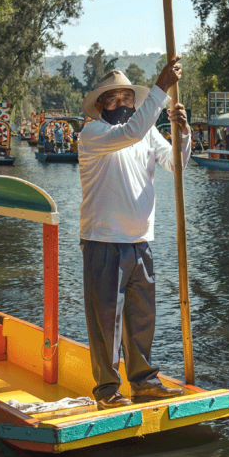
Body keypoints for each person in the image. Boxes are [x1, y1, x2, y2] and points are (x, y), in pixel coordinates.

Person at [78, 59, 190, 410]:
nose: (123, 104)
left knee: (141, 318)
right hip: (103, 240)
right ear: (100, 106)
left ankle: (143, 382)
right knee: (105, 319)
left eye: (128, 98)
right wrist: (160, 86)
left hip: (140, 240)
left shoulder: (146, 132)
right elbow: (130, 134)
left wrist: (183, 134)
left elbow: (176, 164)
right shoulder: (93, 134)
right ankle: (107, 389)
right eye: (113, 99)